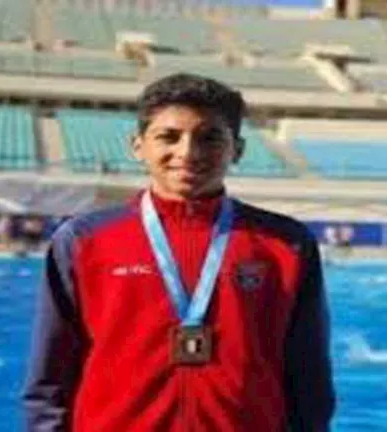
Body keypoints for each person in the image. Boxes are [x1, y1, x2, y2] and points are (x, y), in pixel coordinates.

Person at [23, 74, 335, 432]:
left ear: (237, 149)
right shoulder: (83, 241)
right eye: (168, 137)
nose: (188, 153)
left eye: (210, 137)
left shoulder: (285, 244)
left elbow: (308, 375)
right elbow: (50, 376)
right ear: (138, 146)